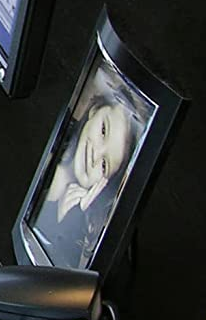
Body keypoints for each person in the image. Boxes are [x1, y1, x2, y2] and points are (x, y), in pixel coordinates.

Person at [32, 93, 134, 269]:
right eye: (103, 131)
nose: (96, 155)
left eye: (104, 165)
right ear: (94, 110)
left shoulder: (85, 226)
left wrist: (66, 221)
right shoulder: (46, 144)